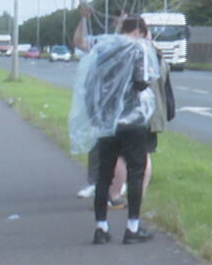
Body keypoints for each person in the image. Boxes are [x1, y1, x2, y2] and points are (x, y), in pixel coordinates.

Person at [69, 14, 164, 245]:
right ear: (140, 31)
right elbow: (142, 82)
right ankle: (132, 227)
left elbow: (90, 83)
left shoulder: (103, 48)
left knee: (104, 175)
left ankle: (101, 227)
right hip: (133, 121)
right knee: (135, 172)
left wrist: (94, 114)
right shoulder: (138, 49)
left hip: (106, 121)